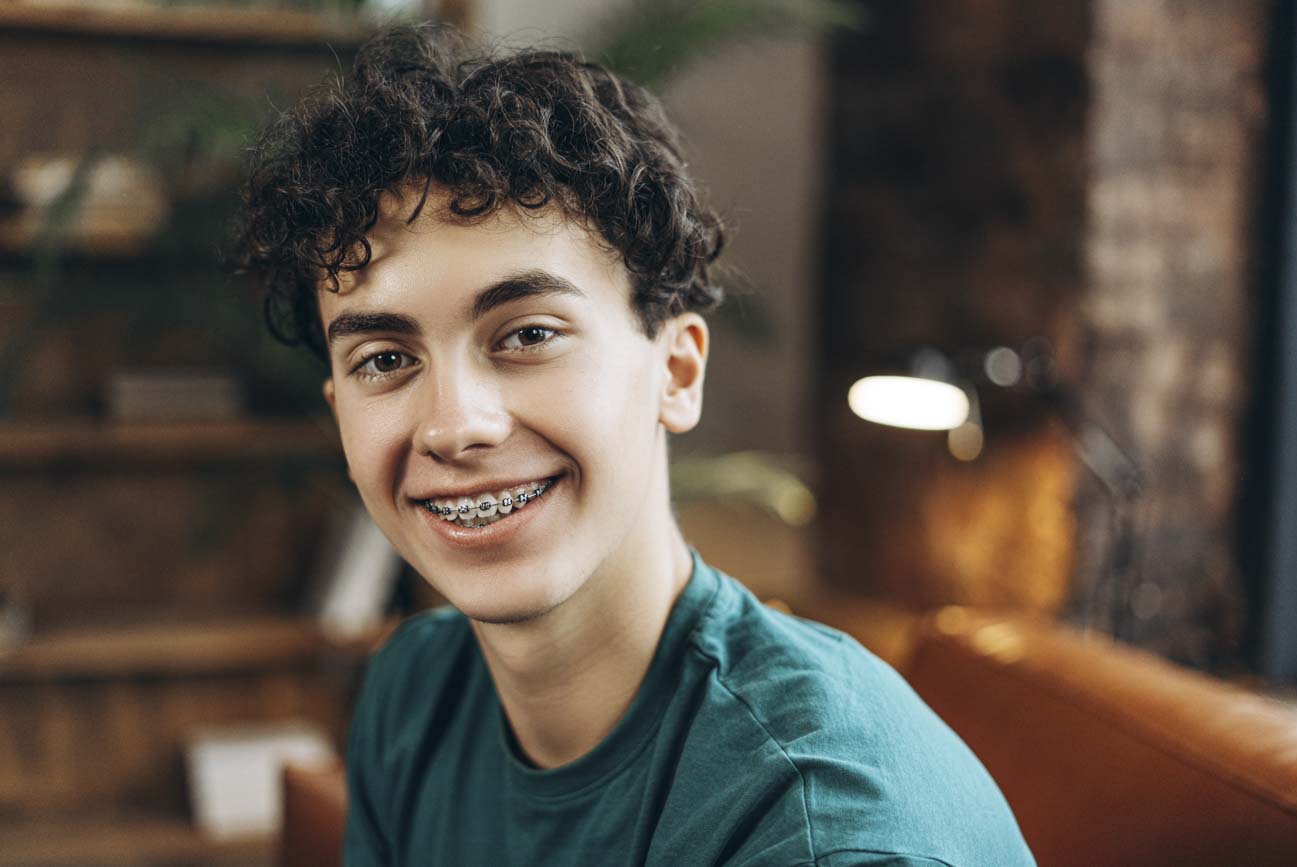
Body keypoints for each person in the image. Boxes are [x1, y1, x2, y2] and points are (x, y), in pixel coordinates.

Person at [238, 23, 1035, 867]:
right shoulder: (417, 688)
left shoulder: (817, 827)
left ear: (677, 370)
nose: (453, 423)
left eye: (528, 333)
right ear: (338, 412)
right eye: (387, 359)